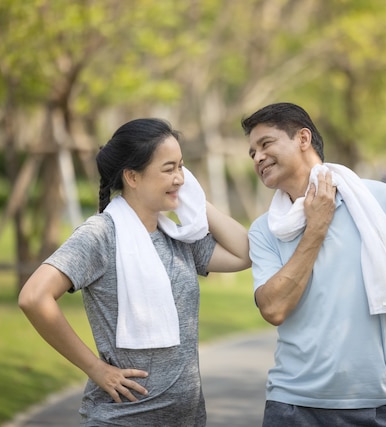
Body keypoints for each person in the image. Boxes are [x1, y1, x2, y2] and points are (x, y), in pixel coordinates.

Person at [241, 102, 386, 426]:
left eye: (266, 144)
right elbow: (273, 309)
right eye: (252, 153)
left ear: (303, 139)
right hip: (292, 407)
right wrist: (315, 228)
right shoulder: (264, 230)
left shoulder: (382, 201)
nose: (257, 157)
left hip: (377, 404)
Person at [18, 118, 251, 426]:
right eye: (168, 169)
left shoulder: (177, 236)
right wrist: (95, 368)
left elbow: (243, 253)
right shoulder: (102, 234)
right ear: (132, 177)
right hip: (122, 419)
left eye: (182, 167)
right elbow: (34, 297)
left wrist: (192, 198)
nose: (180, 177)